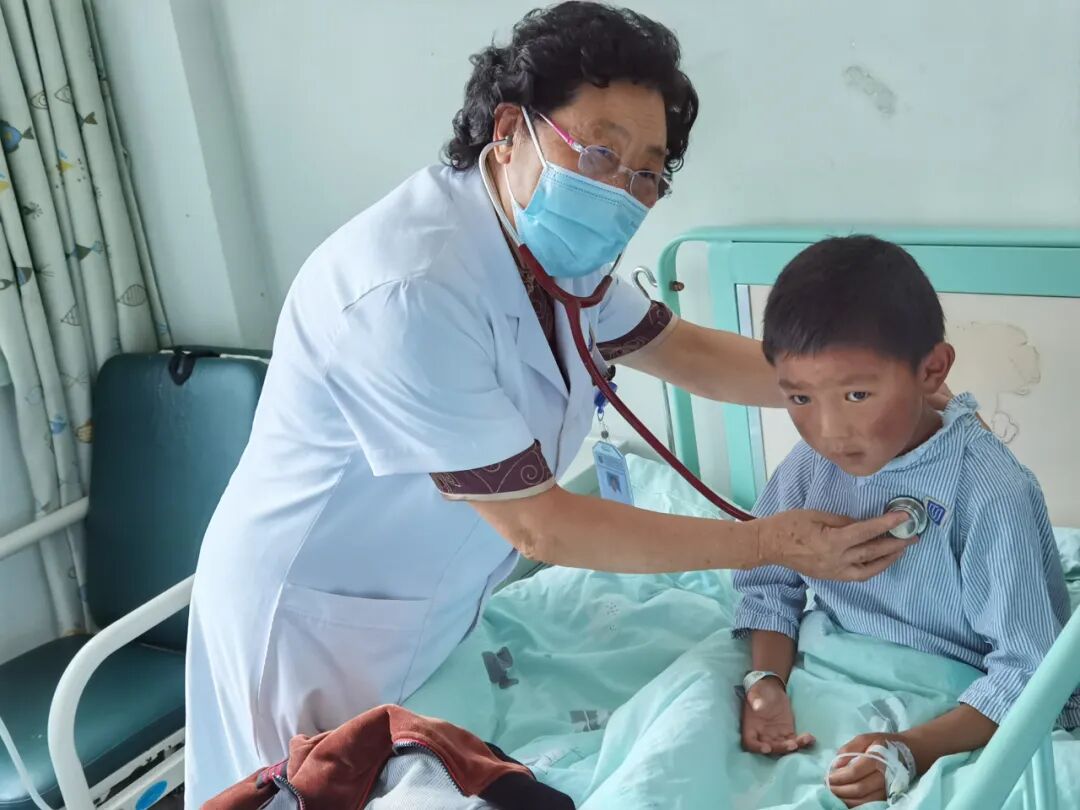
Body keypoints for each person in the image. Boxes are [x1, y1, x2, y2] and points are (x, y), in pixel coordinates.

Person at [182, 4, 913, 805]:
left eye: (646, 173)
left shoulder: (551, 255)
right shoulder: (408, 289)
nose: (623, 191)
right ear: (509, 130)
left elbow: (685, 352)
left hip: (433, 612)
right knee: (314, 788)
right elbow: (543, 527)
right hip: (314, 627)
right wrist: (767, 542)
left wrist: (867, 376)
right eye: (600, 152)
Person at [733, 235, 1080, 807]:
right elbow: (770, 580)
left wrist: (913, 749)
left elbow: (1029, 671)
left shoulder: (991, 491)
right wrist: (764, 681)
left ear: (932, 370)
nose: (829, 432)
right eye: (800, 400)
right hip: (833, 669)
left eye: (857, 394)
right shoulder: (809, 465)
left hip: (959, 695)